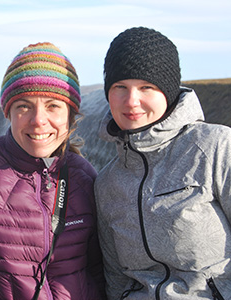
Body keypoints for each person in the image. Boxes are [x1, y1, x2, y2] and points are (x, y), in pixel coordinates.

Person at [0, 42, 105, 299]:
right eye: (23, 105)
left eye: (53, 105)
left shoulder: (84, 177)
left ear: (70, 115)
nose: (38, 120)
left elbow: (97, 269)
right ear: (8, 113)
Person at [94, 26, 231, 299]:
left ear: (167, 91)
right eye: (120, 87)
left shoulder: (215, 147)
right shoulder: (107, 182)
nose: (132, 101)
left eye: (147, 87)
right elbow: (116, 277)